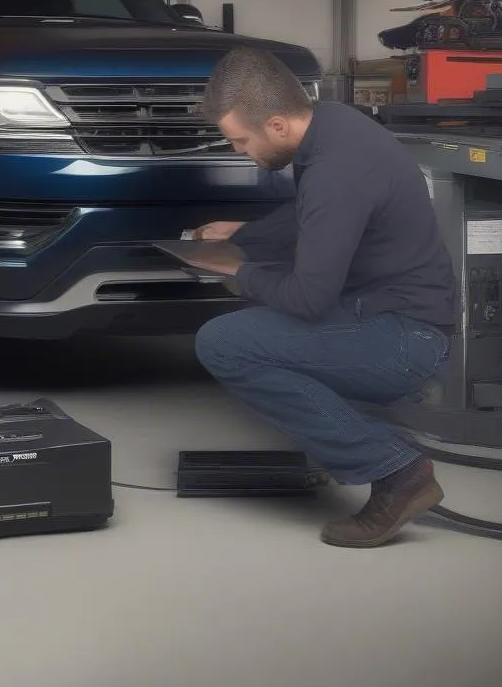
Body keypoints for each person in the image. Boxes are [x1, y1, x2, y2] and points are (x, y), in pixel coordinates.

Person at [192, 48, 459, 548]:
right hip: (391, 315)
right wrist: (243, 236)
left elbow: (309, 297)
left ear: (275, 124)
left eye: (239, 141)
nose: (237, 152)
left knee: (223, 342)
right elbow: (308, 216)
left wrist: (237, 271)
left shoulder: (337, 170)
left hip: (406, 341)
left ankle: (399, 473)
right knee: (255, 323)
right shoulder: (332, 125)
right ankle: (362, 446)